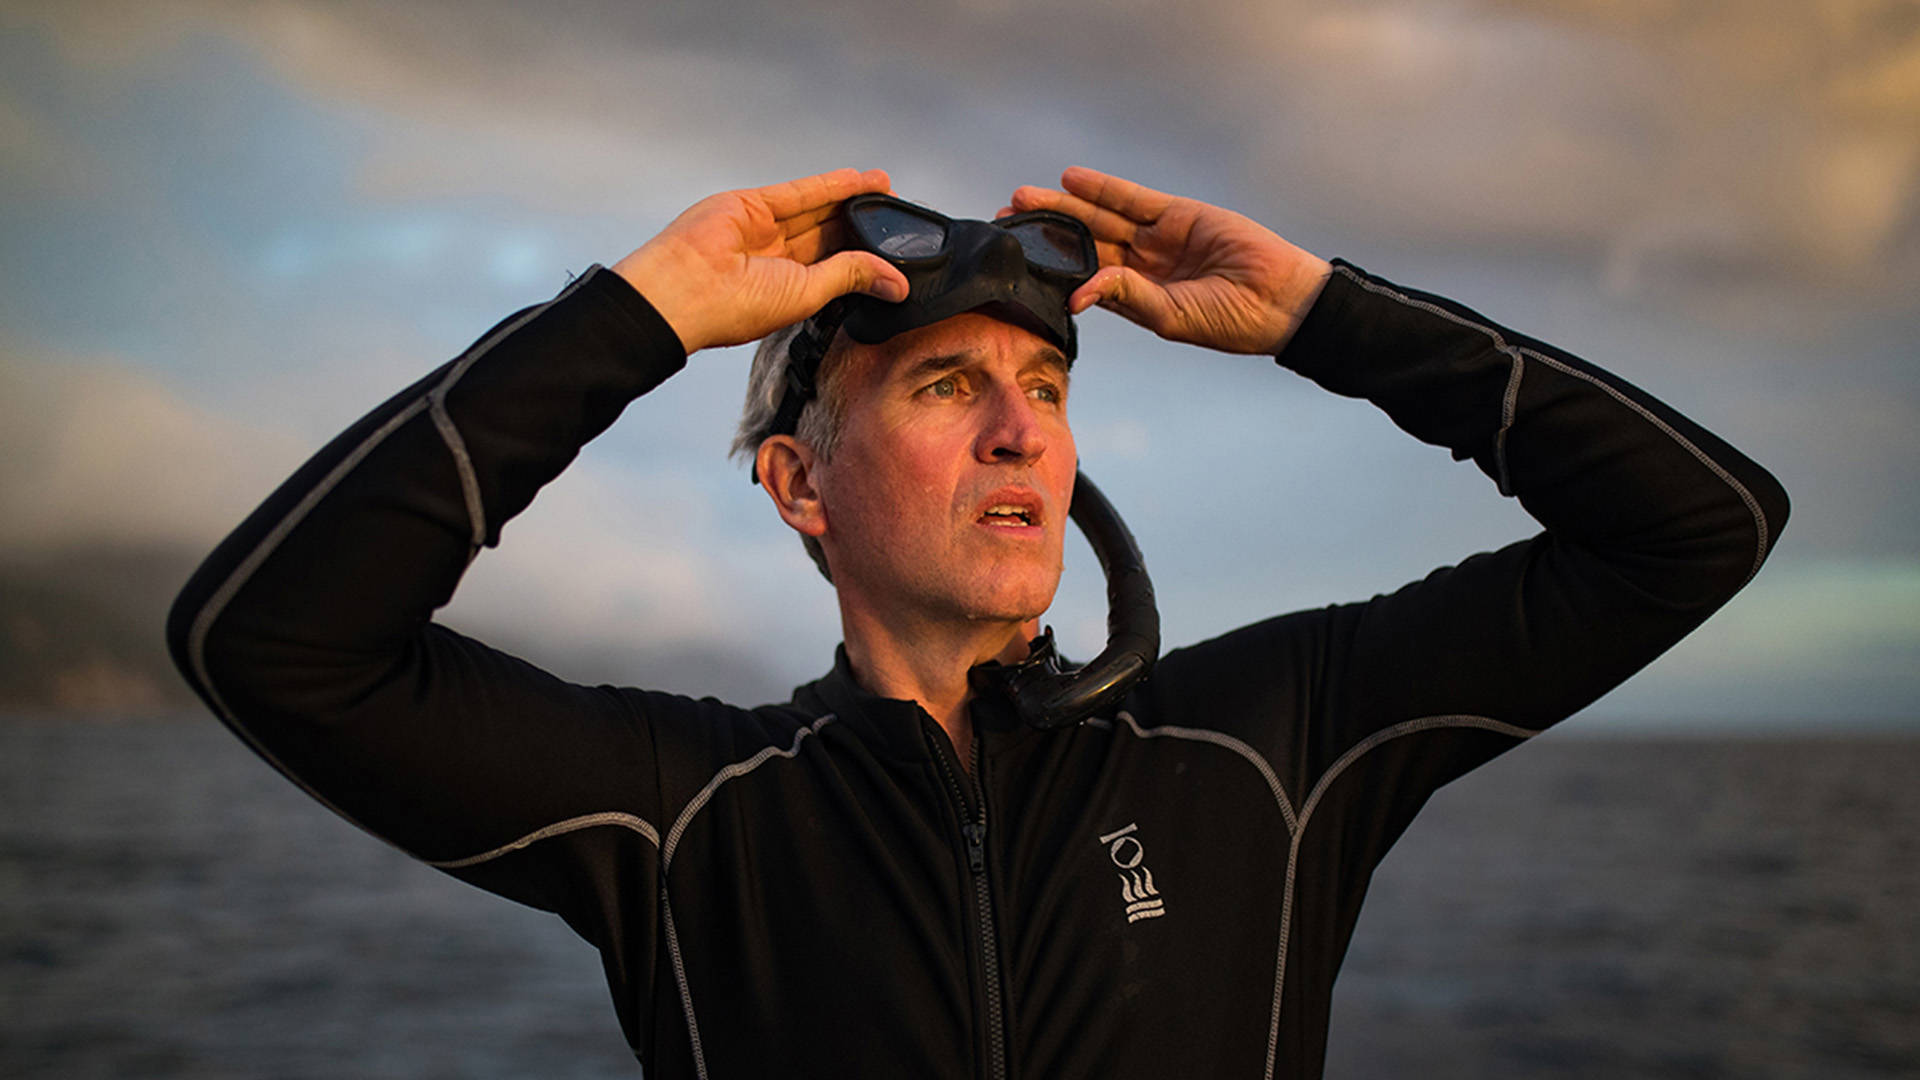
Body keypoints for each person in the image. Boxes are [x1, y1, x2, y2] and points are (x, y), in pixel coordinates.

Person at [167, 166, 1788, 1079]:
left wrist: (1324, 317)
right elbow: (272, 639)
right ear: (802, 485)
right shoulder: (686, 815)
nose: (1022, 432)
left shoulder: (1271, 741)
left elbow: (1696, 528)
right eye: (949, 387)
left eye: (1047, 389)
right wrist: (640, 311)